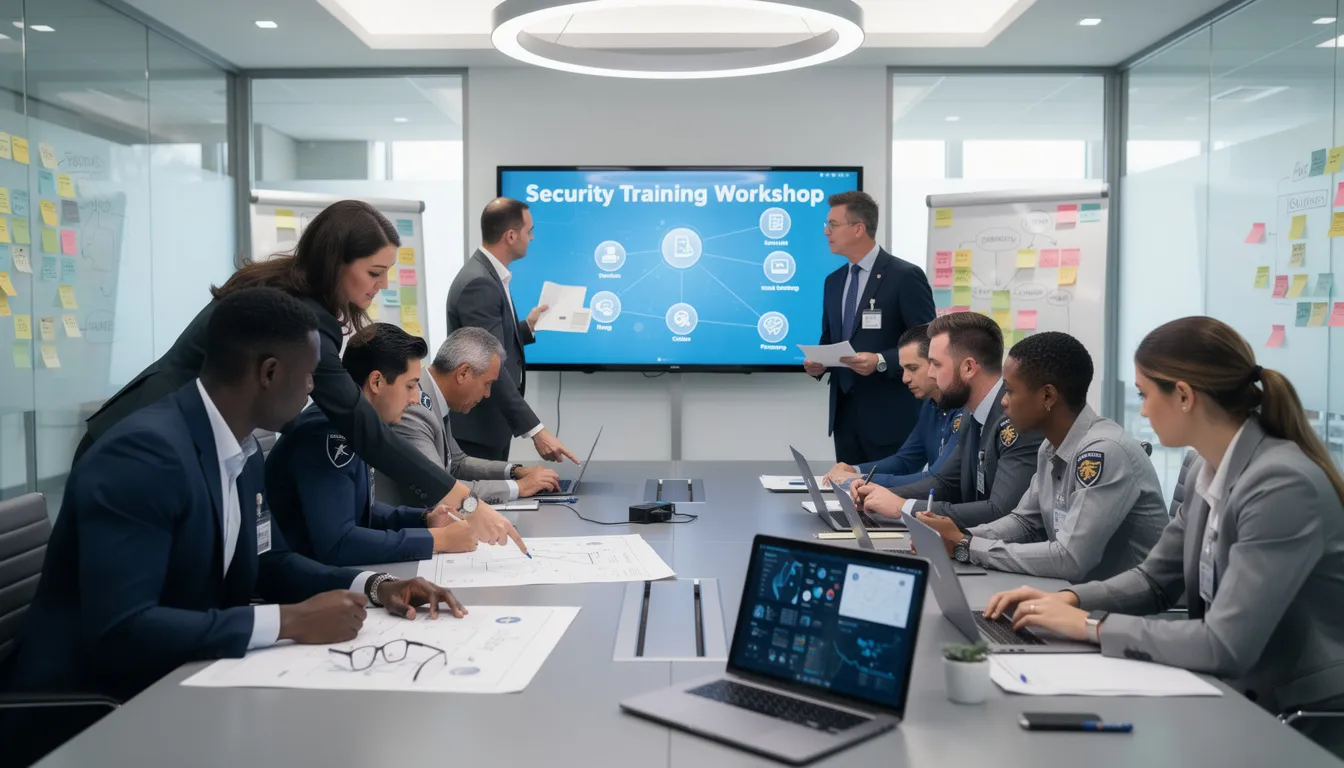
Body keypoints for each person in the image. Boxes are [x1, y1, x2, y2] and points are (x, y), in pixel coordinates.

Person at [1, 289, 467, 764]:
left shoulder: (239, 451)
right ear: (268, 373)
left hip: (185, 683)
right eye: (308, 375)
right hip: (93, 718)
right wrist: (288, 621)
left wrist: (375, 585)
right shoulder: (144, 456)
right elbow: (123, 630)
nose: (314, 389)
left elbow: (272, 562)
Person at [985, 317, 1344, 756]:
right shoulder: (1210, 468)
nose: (1144, 409)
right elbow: (1154, 581)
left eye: (1144, 394)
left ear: (1184, 396)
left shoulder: (1280, 485)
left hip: (1294, 715)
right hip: (1233, 691)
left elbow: (1225, 643)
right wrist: (1072, 600)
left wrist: (1091, 625)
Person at [73, 200, 486, 520]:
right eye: (374, 272)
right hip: (143, 439)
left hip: (170, 433)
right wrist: (463, 500)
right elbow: (359, 423)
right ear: (335, 263)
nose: (383, 285)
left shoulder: (287, 288)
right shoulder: (301, 316)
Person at [913, 332, 1167, 582]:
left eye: (1011, 391)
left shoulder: (1103, 452)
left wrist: (966, 546)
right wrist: (955, 536)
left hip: (1126, 613)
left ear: (1048, 396)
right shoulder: (1050, 447)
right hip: (1077, 596)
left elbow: (1070, 559)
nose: (1003, 401)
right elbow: (1024, 521)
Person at [265, 324, 512, 567]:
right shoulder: (329, 433)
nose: (416, 398)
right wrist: (436, 540)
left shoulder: (355, 425)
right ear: (376, 382)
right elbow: (339, 543)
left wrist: (425, 519)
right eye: (410, 385)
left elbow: (362, 511)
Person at [853, 311, 1042, 529]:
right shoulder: (973, 414)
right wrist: (879, 494)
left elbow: (1000, 512)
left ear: (969, 367)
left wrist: (904, 506)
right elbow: (945, 482)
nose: (931, 374)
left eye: (936, 364)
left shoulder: (1017, 420)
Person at [802, 190, 935, 465]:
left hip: (890, 416)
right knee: (849, 495)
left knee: (885, 500)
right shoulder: (834, 281)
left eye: (833, 225)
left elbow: (926, 340)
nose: (826, 232)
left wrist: (882, 360)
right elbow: (830, 338)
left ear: (858, 228)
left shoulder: (904, 276)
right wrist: (820, 364)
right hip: (845, 416)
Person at [446, 198, 578, 464]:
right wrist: (537, 431)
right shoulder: (480, 283)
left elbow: (490, 342)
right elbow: (488, 364)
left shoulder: (488, 275)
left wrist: (526, 327)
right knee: (479, 502)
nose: (531, 237)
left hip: (489, 427)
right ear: (510, 235)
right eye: (529, 231)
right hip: (478, 428)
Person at [377, 327, 562, 508]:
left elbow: (457, 463)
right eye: (487, 384)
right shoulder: (414, 408)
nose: (488, 394)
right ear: (463, 373)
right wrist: (519, 487)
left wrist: (515, 472)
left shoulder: (435, 397)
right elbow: (441, 490)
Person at [822, 323, 962, 491]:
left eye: (913, 368)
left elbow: (935, 479)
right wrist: (854, 470)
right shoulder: (930, 405)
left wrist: (860, 479)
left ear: (936, 363)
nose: (905, 379)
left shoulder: (964, 411)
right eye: (903, 369)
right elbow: (906, 460)